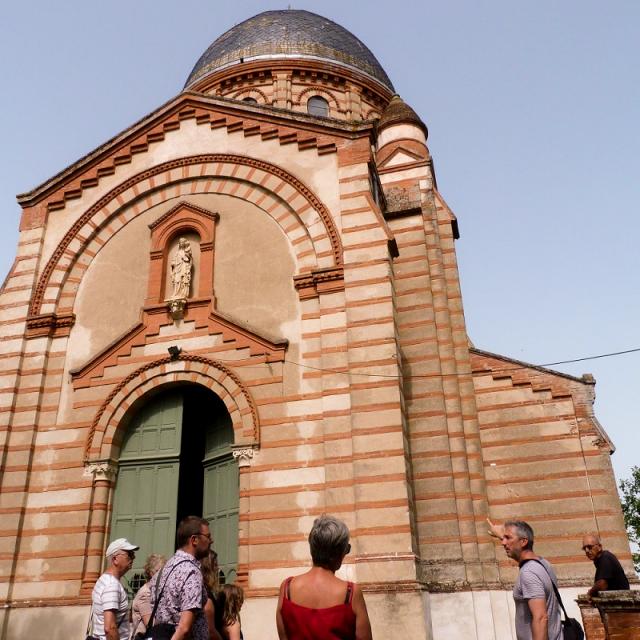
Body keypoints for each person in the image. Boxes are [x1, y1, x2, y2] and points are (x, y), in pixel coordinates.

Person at [276, 514, 372, 640]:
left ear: (312, 548)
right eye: (346, 549)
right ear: (340, 552)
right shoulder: (351, 594)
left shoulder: (287, 589)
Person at [498, 520, 562, 640]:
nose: (503, 542)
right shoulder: (543, 563)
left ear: (523, 542)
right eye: (502, 538)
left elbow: (540, 617)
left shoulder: (528, 573)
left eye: (507, 538)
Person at [149, 516, 211, 640]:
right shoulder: (191, 572)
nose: (211, 540)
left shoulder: (164, 569)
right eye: (208, 537)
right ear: (194, 540)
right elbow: (184, 628)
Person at [91, 537, 139, 640]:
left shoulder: (103, 580)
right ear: (115, 559)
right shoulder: (112, 585)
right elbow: (110, 628)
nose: (133, 557)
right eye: (129, 554)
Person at [582, 533, 630, 598]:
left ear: (600, 547)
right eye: (584, 548)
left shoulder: (605, 557)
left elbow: (602, 584)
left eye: (590, 547)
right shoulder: (602, 559)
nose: (587, 550)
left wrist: (590, 593)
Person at [130, 553, 166, 639]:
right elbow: (150, 624)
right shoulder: (145, 593)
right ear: (151, 573)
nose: (163, 574)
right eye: (158, 571)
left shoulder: (156, 591)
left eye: (164, 571)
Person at [201, 550, 224, 640]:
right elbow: (210, 630)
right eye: (215, 565)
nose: (217, 568)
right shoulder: (205, 593)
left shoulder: (206, 590)